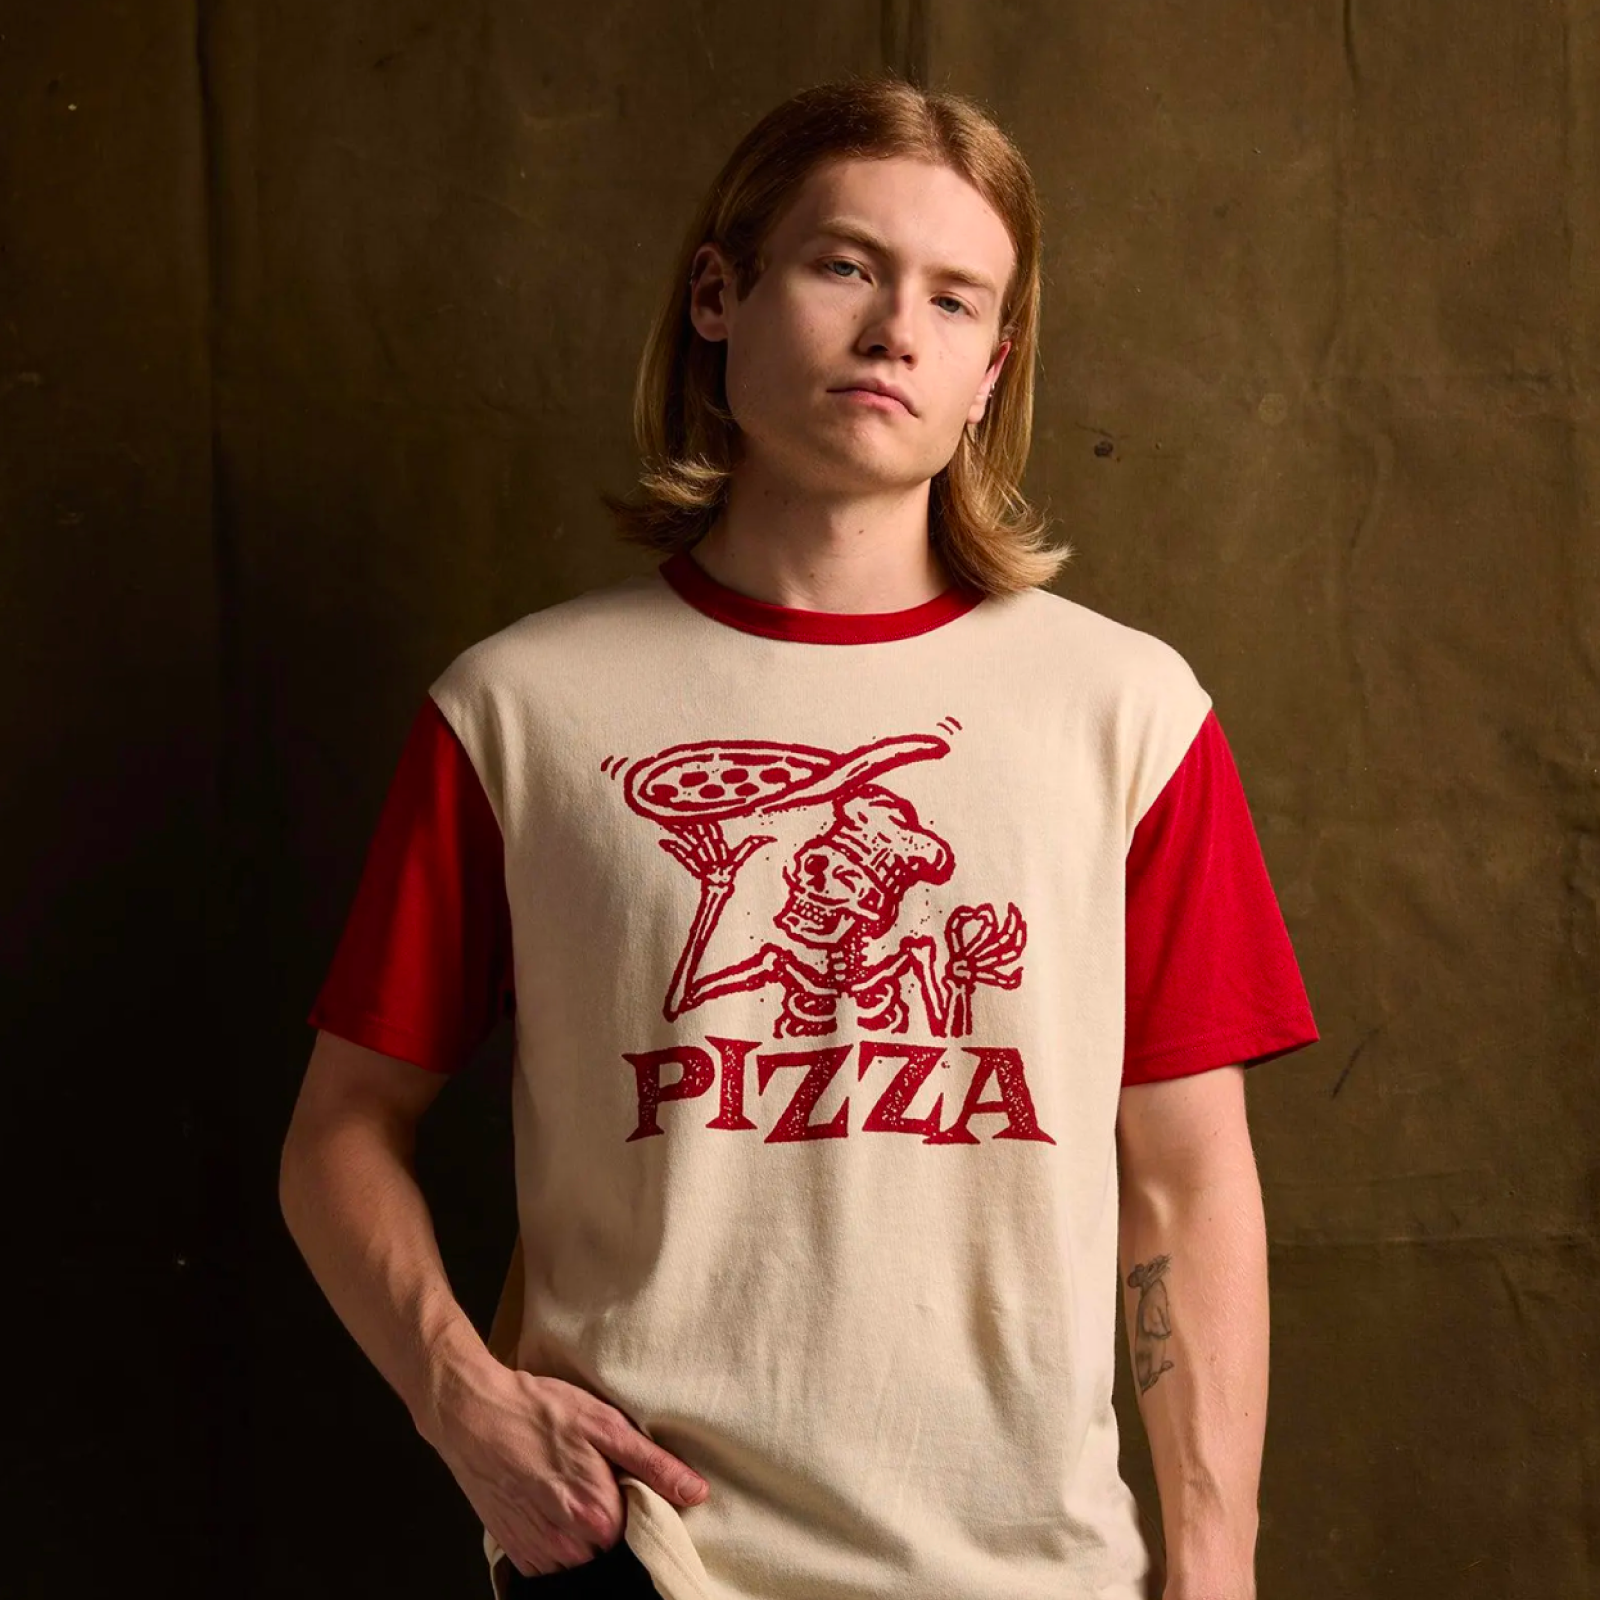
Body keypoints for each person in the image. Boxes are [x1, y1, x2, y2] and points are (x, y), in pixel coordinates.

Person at [279, 74, 1318, 1600]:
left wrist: (1214, 1565)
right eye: (846, 265)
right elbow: (339, 1130)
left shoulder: (1126, 711)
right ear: (720, 294)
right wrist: (460, 1398)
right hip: (640, 1558)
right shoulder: (519, 710)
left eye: (957, 299)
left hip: (1036, 1573)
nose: (899, 326)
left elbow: (1185, 1174)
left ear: (990, 370)